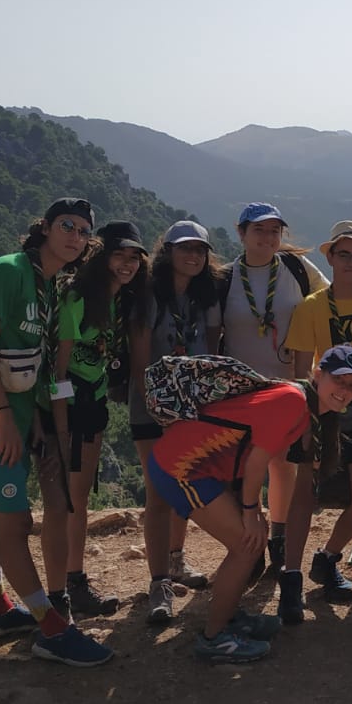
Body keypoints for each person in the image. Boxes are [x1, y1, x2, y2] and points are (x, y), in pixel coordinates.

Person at [0, 198, 113, 667]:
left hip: (12, 418)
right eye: (67, 226)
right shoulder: (9, 271)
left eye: (84, 231)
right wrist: (2, 414)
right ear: (45, 228)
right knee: (14, 524)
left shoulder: (47, 285)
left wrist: (33, 417)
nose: (75, 236)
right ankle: (52, 629)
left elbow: (34, 359)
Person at [145, 346, 352, 663]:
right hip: (182, 467)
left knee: (251, 541)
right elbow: (256, 462)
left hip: (198, 467)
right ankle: (214, 638)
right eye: (339, 380)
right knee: (246, 545)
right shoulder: (293, 402)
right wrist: (251, 511)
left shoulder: (300, 404)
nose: (344, 391)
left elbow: (248, 449)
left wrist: (253, 511)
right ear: (318, 375)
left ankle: (229, 617)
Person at [37, 220, 149, 621]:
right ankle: (69, 586)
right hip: (72, 408)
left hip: (93, 403)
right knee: (70, 500)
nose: (127, 264)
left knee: (78, 499)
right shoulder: (78, 298)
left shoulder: (117, 300)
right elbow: (59, 369)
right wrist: (61, 426)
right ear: (101, 257)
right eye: (119, 255)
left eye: (134, 257)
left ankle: (73, 581)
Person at [218, 202, 328, 593]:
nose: (267, 238)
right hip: (238, 392)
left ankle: (277, 543)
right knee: (242, 469)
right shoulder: (224, 278)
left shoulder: (298, 270)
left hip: (287, 387)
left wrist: (322, 368)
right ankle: (250, 545)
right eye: (259, 230)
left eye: (274, 231)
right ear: (241, 233)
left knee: (283, 466)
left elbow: (328, 305)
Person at [281, 220, 352, 621]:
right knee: (303, 495)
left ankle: (327, 558)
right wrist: (310, 416)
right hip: (322, 412)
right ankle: (291, 579)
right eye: (344, 254)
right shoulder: (311, 307)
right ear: (330, 258)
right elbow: (300, 372)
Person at [127, 220, 224, 623]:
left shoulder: (205, 297)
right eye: (185, 248)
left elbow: (212, 353)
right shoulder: (149, 296)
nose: (193, 256)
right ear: (167, 252)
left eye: (200, 250)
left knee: (182, 487)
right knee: (158, 493)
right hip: (152, 407)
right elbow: (139, 359)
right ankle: (159, 582)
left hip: (192, 409)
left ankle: (176, 560)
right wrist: (158, 408)